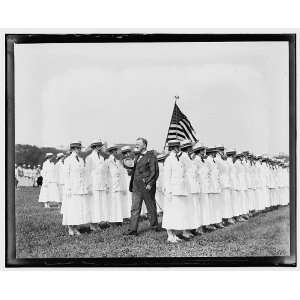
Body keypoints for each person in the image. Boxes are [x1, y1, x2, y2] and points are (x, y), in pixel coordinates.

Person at [124, 137, 160, 236]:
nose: (136, 145)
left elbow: (155, 172)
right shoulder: (136, 156)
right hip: (136, 187)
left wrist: (150, 184)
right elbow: (134, 170)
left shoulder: (151, 156)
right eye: (136, 144)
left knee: (150, 207)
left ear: (144, 145)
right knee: (135, 208)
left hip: (146, 186)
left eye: (138, 144)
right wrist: (129, 170)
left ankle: (154, 227)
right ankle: (132, 230)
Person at [63, 141, 90, 236]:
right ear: (73, 149)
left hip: (80, 187)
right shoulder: (68, 160)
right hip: (72, 188)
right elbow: (66, 176)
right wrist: (68, 188)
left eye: (79, 148)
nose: (79, 150)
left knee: (78, 208)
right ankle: (70, 228)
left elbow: (84, 174)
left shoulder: (81, 160)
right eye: (77, 148)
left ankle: (75, 227)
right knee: (71, 208)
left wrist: (86, 186)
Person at [85, 140, 110, 230]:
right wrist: (89, 186)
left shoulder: (102, 157)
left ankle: (97, 223)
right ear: (95, 147)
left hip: (101, 184)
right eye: (99, 146)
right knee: (94, 204)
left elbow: (104, 172)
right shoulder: (90, 158)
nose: (101, 147)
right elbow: (87, 173)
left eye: (101, 146)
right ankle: (92, 224)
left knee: (99, 204)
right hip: (94, 184)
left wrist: (106, 183)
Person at [107, 144, 130, 225]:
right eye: (115, 150)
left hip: (118, 185)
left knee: (118, 203)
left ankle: (119, 220)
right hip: (112, 185)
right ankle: (113, 221)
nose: (116, 152)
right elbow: (107, 174)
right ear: (112, 151)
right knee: (113, 204)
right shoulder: (108, 161)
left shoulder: (117, 161)